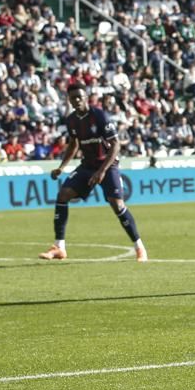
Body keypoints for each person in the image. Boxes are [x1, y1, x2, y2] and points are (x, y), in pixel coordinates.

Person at [39, 82, 147, 262]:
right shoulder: (72, 120)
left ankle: (140, 247)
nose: (77, 100)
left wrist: (102, 171)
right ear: (70, 100)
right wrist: (62, 167)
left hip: (107, 164)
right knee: (63, 194)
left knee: (117, 204)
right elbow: (74, 144)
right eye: (73, 98)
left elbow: (115, 146)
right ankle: (59, 247)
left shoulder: (99, 116)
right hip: (87, 165)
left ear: (86, 97)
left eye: (80, 97)